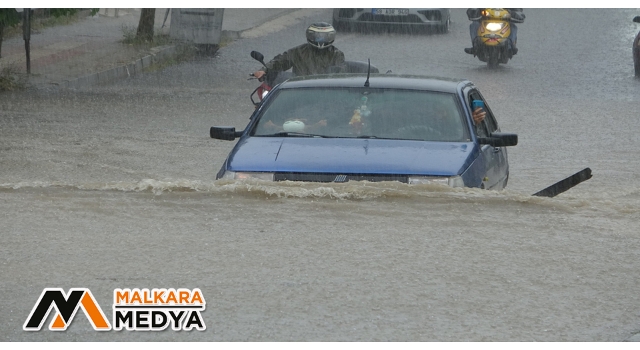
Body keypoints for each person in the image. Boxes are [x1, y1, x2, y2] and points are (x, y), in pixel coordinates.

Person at [252, 22, 346, 80]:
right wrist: (264, 70)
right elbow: (281, 61)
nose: (320, 40)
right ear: (309, 36)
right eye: (317, 36)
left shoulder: (337, 54)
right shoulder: (298, 51)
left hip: (325, 92)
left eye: (324, 37)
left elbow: (340, 74)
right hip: (299, 89)